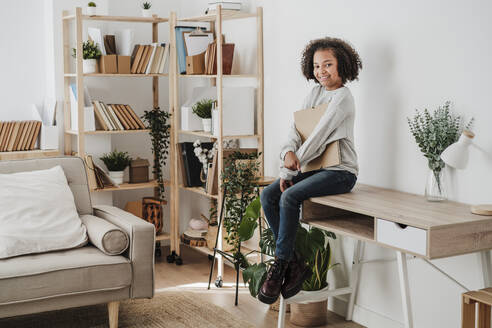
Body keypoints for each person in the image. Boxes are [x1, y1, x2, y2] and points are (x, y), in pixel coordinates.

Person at [258, 37, 362, 304]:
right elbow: (296, 130)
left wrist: (288, 172)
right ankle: (293, 263)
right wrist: (286, 154)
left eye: (328, 64)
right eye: (317, 66)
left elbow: (317, 138)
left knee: (289, 196)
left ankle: (280, 264)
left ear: (343, 65)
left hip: (340, 172)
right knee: (268, 195)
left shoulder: (343, 98)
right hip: (314, 168)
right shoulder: (314, 94)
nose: (321, 71)